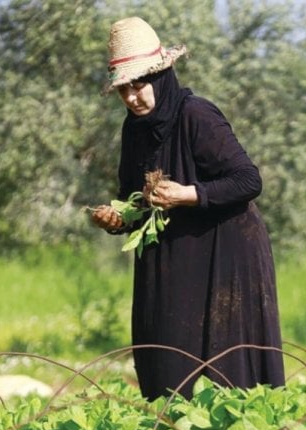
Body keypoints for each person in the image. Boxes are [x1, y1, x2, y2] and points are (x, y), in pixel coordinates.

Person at [91, 17, 285, 400]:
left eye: (138, 85)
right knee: (168, 364)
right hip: (171, 261)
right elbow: (133, 198)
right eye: (123, 90)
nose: (131, 97)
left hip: (226, 255)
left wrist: (188, 194)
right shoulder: (134, 130)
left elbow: (248, 181)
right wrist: (117, 219)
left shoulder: (196, 115)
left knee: (230, 369)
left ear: (161, 77)